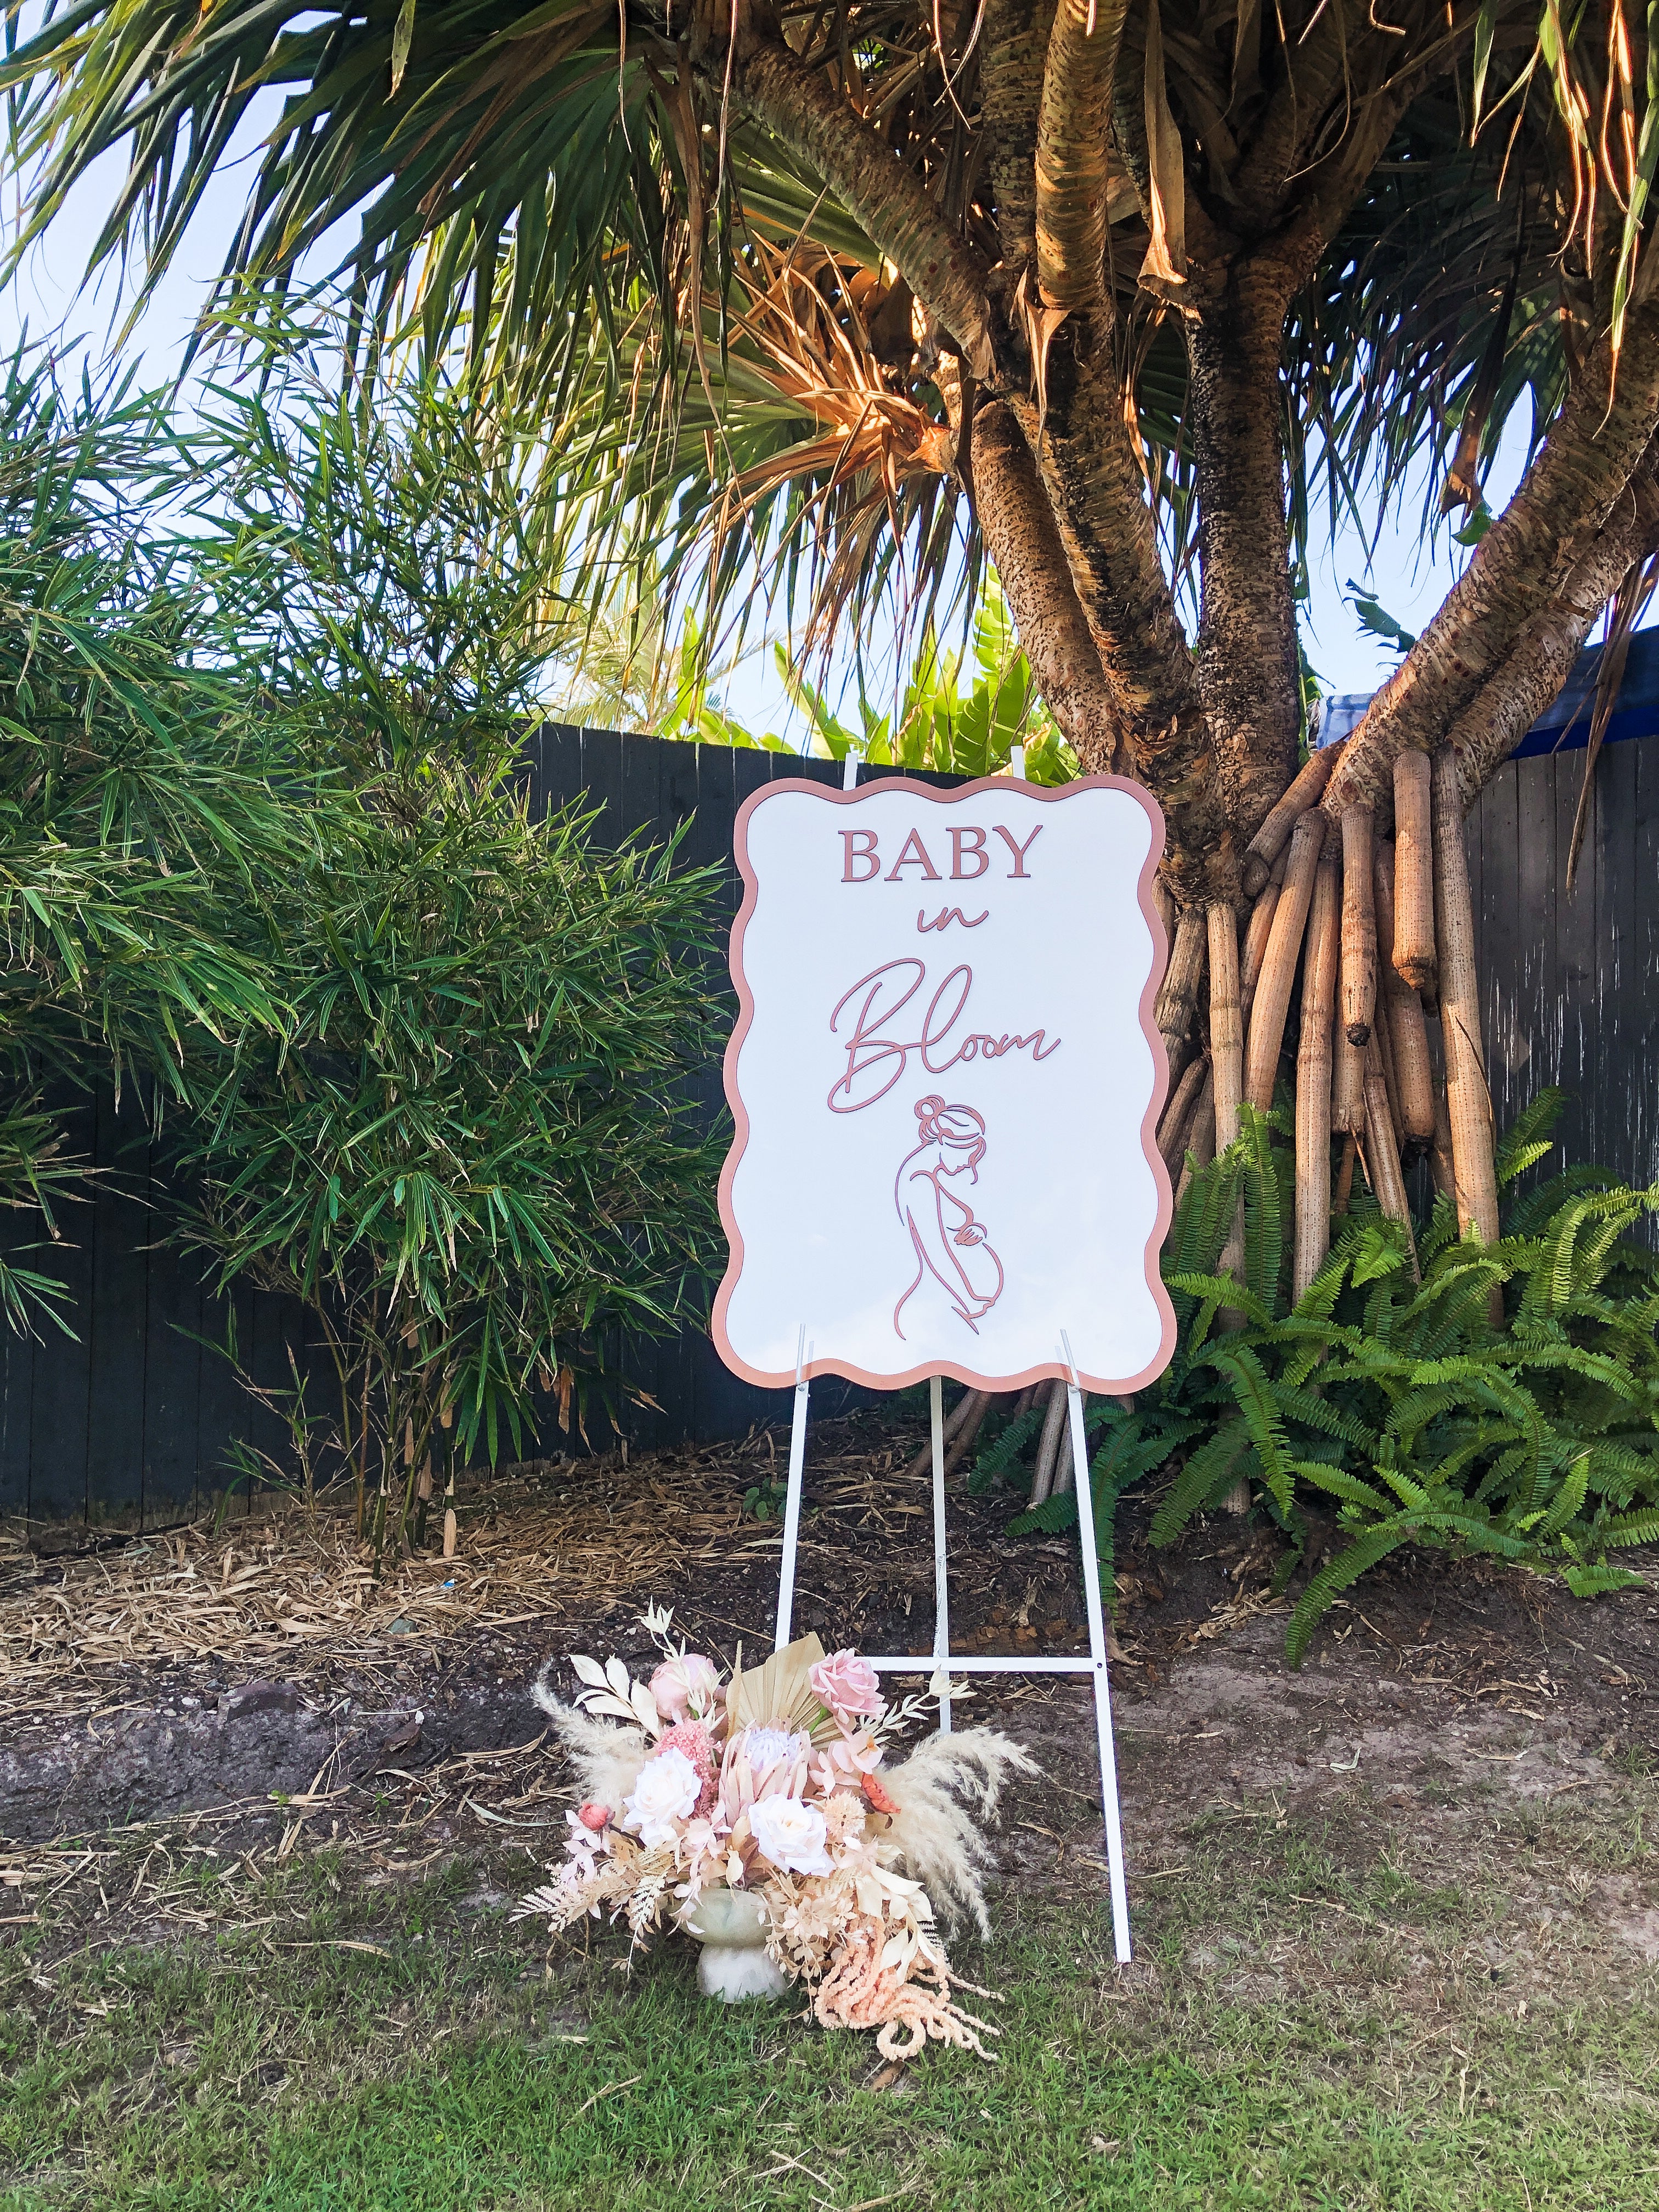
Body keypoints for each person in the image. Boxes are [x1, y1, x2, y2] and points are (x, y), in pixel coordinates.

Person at [892, 1094, 1005, 1339]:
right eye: (968, 1155)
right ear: (947, 1145)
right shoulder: (918, 1181)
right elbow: (934, 1250)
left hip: (954, 1297)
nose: (968, 1164)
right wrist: (969, 1300)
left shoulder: (932, 1178)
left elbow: (954, 1228)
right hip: (944, 1298)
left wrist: (977, 1232)